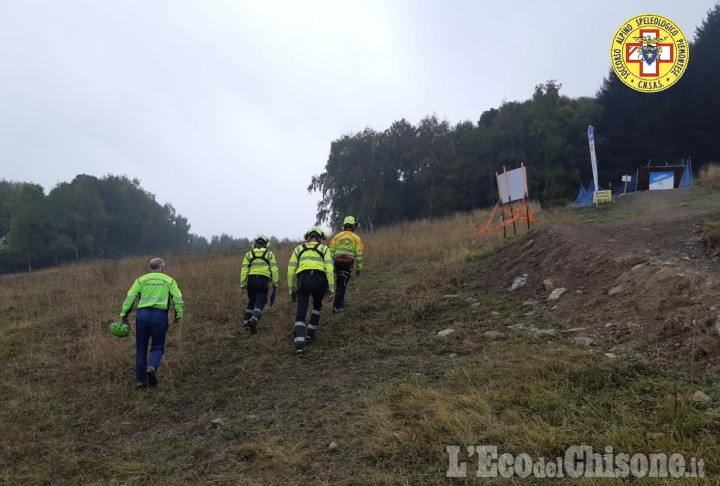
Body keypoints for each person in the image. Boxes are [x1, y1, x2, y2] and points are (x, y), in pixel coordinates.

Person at [120, 257, 183, 388]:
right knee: (158, 346)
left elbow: (130, 297)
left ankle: (141, 380)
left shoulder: (141, 280)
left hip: (142, 316)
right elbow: (177, 299)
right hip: (160, 317)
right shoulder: (169, 280)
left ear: (151, 268)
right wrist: (178, 316)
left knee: (141, 347)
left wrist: (124, 314)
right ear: (163, 268)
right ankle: (152, 367)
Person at [287, 226, 335, 357]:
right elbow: (330, 269)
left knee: (301, 313)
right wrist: (331, 289)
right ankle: (310, 333)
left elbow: (291, 271)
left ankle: (299, 347)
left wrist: (291, 291)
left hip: (302, 281)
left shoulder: (298, 249)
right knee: (317, 306)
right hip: (319, 281)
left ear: (308, 237)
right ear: (319, 238)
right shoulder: (324, 249)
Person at [240, 234, 279, 334]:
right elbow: (274, 269)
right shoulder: (269, 254)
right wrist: (275, 283)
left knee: (251, 301)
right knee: (260, 302)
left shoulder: (248, 254)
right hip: (263, 281)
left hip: (251, 281)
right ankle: (254, 319)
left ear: (255, 244)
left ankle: (245, 323)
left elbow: (244, 270)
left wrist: (242, 285)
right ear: (267, 244)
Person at [329, 215, 364, 314]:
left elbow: (331, 252)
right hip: (347, 264)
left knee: (338, 281)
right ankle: (336, 307)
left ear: (344, 226)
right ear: (353, 227)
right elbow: (359, 255)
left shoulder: (336, 237)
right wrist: (359, 270)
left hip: (336, 263)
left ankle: (341, 301)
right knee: (343, 284)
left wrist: (330, 265)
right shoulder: (357, 238)